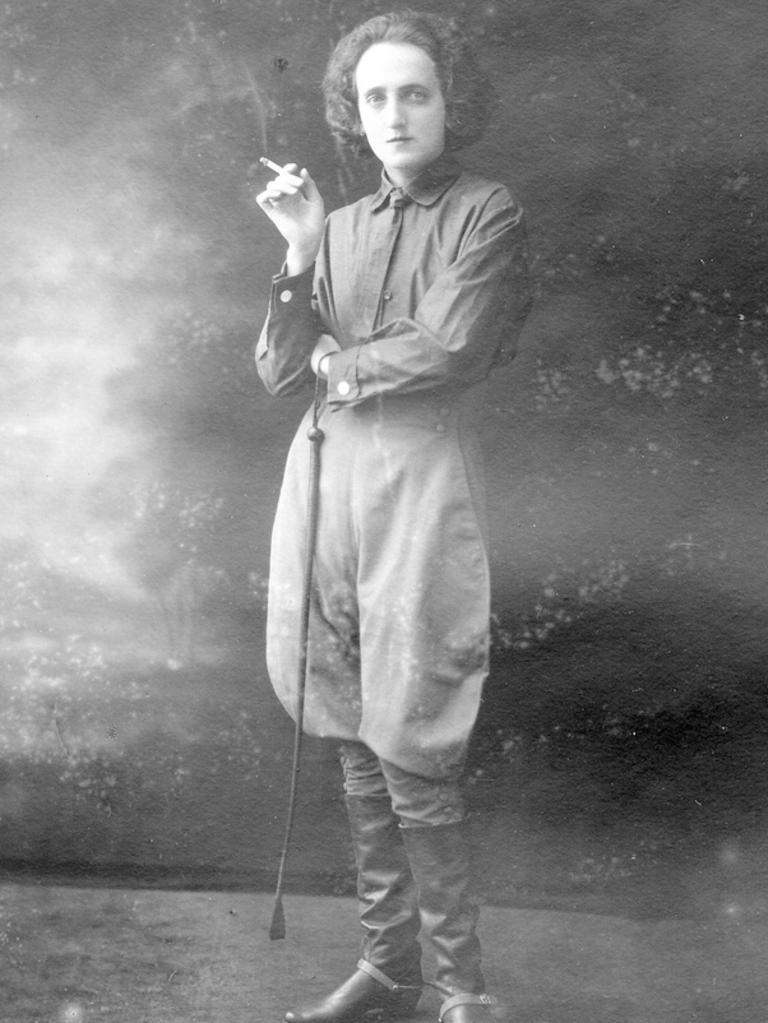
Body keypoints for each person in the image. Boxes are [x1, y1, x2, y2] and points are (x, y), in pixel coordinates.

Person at [255, 10, 531, 1023]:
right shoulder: (340, 228)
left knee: (413, 727)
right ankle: (388, 966)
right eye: (375, 96)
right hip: (326, 488)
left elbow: (450, 346)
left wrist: (338, 362)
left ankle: (461, 987)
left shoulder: (487, 212)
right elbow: (281, 368)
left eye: (415, 92)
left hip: (422, 485)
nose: (395, 113)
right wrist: (297, 251)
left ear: (449, 103)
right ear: (352, 113)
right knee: (348, 728)